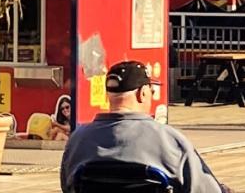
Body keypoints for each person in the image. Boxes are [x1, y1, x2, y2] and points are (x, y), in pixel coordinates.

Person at [60, 61, 232, 193]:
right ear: (142, 93)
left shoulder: (78, 140)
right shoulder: (169, 140)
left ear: (109, 95)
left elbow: (67, 186)